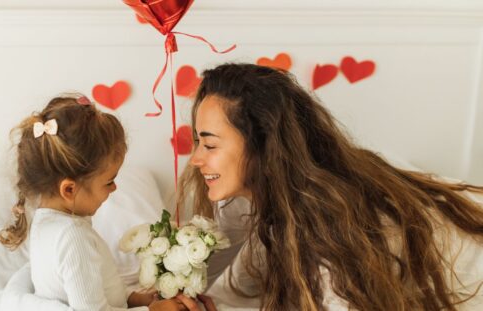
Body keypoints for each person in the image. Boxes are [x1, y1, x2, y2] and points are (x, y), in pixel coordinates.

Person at [176, 63, 483, 310]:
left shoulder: (326, 226)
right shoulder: (242, 197)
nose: (196, 160)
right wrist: (167, 297)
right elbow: (204, 270)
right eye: (197, 143)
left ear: (263, 147)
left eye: (210, 145)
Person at [0, 95, 191, 311]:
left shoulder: (46, 224)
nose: (114, 188)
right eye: (109, 181)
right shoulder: (73, 236)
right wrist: (154, 310)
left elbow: (92, 290)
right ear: (69, 189)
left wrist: (134, 299)